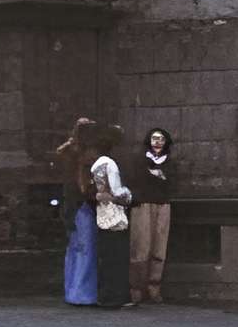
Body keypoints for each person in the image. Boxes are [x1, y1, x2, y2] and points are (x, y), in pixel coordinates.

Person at [51, 117, 129, 309]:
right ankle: (83, 293)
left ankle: (75, 291)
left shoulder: (70, 152)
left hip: (72, 204)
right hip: (82, 205)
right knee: (86, 248)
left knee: (76, 248)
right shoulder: (86, 156)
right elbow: (84, 184)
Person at [123, 128, 175, 305]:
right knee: (140, 247)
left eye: (161, 139)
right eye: (154, 138)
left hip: (163, 204)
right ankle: (136, 288)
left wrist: (159, 177)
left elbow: (172, 182)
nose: (158, 142)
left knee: (159, 248)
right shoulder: (139, 160)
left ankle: (154, 287)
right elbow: (134, 180)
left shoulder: (170, 162)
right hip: (143, 204)